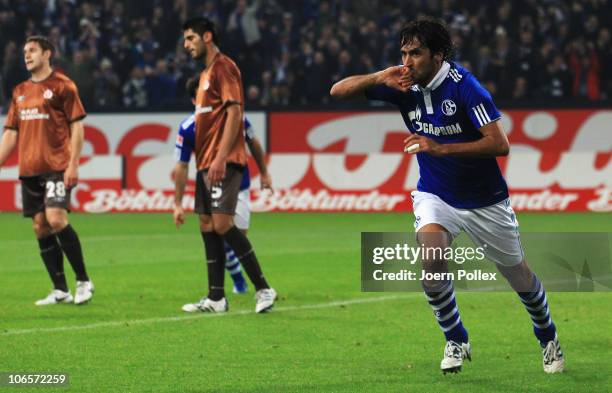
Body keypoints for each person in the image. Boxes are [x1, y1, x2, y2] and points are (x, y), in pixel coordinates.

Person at [330, 19, 564, 374]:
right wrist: (381, 76)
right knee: (431, 260)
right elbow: (338, 91)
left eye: (416, 53)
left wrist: (442, 148)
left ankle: (547, 335)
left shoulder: (466, 87)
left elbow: (500, 144)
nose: (407, 61)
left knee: (519, 277)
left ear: (438, 55)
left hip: (485, 201)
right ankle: (455, 337)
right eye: (404, 52)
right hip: (435, 194)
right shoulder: (401, 83)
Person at [181, 17, 276, 313]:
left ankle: (264, 289)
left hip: (225, 161)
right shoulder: (206, 75)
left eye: (190, 39)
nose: (186, 46)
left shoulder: (225, 67)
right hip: (206, 164)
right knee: (207, 224)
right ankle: (216, 297)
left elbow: (235, 113)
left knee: (223, 223)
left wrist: (221, 157)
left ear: (207, 36)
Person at [0, 36, 94, 305]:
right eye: (24, 51)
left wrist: (74, 163)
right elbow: (10, 133)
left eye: (32, 51)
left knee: (55, 218)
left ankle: (83, 280)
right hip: (30, 169)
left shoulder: (63, 86)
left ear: (47, 54)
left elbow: (77, 125)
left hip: (56, 166)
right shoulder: (19, 91)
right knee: (40, 226)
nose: (26, 55)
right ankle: (60, 289)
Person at [173, 76, 273, 297]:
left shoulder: (234, 117)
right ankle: (227, 290)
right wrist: (177, 203)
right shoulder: (188, 128)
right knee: (216, 230)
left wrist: (264, 172)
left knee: (234, 236)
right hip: (210, 182)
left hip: (240, 185)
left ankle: (256, 287)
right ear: (194, 100)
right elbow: (181, 165)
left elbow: (253, 142)